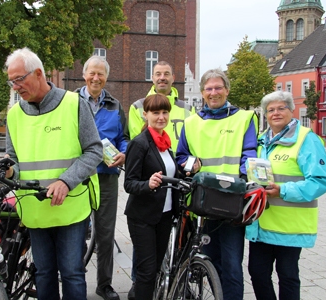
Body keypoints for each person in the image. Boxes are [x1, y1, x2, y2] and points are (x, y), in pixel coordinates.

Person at [4, 47, 102, 299]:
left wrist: (65, 182)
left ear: (38, 73)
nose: (15, 87)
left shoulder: (73, 104)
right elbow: (13, 160)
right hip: (36, 210)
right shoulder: (14, 115)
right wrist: (6, 170)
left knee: (71, 272)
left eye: (19, 79)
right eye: (11, 81)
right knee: (44, 272)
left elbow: (94, 151)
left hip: (70, 206)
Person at [176, 68, 258, 300]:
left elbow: (249, 155)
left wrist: (245, 178)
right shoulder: (191, 123)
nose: (214, 93)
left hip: (232, 203)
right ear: (202, 93)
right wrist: (191, 165)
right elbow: (181, 157)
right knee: (209, 263)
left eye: (218, 87)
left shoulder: (244, 118)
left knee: (232, 266)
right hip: (203, 204)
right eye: (209, 89)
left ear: (227, 90)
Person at [246, 91, 326, 300]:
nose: (275, 113)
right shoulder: (260, 141)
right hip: (261, 223)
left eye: (281, 108)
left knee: (288, 276)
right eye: (271, 110)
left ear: (291, 110)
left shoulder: (305, 139)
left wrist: (283, 190)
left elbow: (321, 181)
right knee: (257, 274)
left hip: (289, 226)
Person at [125, 61, 193, 298]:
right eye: (156, 112)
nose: (161, 117)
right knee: (146, 272)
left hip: (164, 216)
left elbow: (173, 173)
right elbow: (129, 183)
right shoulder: (140, 143)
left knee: (155, 270)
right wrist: (148, 184)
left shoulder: (166, 144)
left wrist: (189, 170)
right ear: (146, 115)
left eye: (165, 112)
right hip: (143, 217)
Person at [75, 56, 127, 300]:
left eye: (101, 74)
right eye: (92, 73)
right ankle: (74, 281)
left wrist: (124, 152)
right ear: (84, 74)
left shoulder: (115, 105)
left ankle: (104, 284)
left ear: (107, 77)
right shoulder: (70, 102)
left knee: (105, 234)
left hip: (106, 177)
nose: (96, 78)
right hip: (79, 177)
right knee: (75, 233)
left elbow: (123, 137)